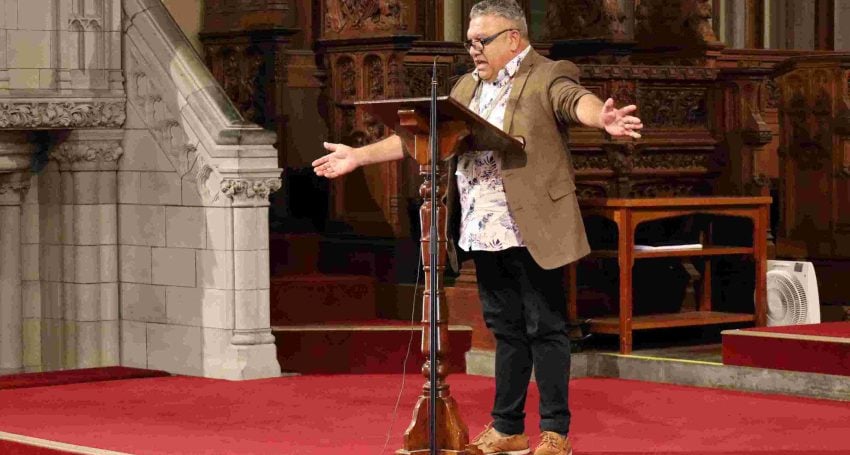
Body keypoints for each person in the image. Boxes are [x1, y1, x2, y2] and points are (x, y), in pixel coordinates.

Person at [313, 1, 642, 454]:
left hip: (531, 225)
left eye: (480, 41)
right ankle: (507, 428)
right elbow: (418, 137)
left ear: (513, 38)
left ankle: (554, 434)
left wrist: (601, 119)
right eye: (468, 42)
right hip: (482, 226)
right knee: (504, 329)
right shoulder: (467, 86)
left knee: (544, 327)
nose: (473, 51)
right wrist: (357, 156)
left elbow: (574, 100)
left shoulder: (546, 74)